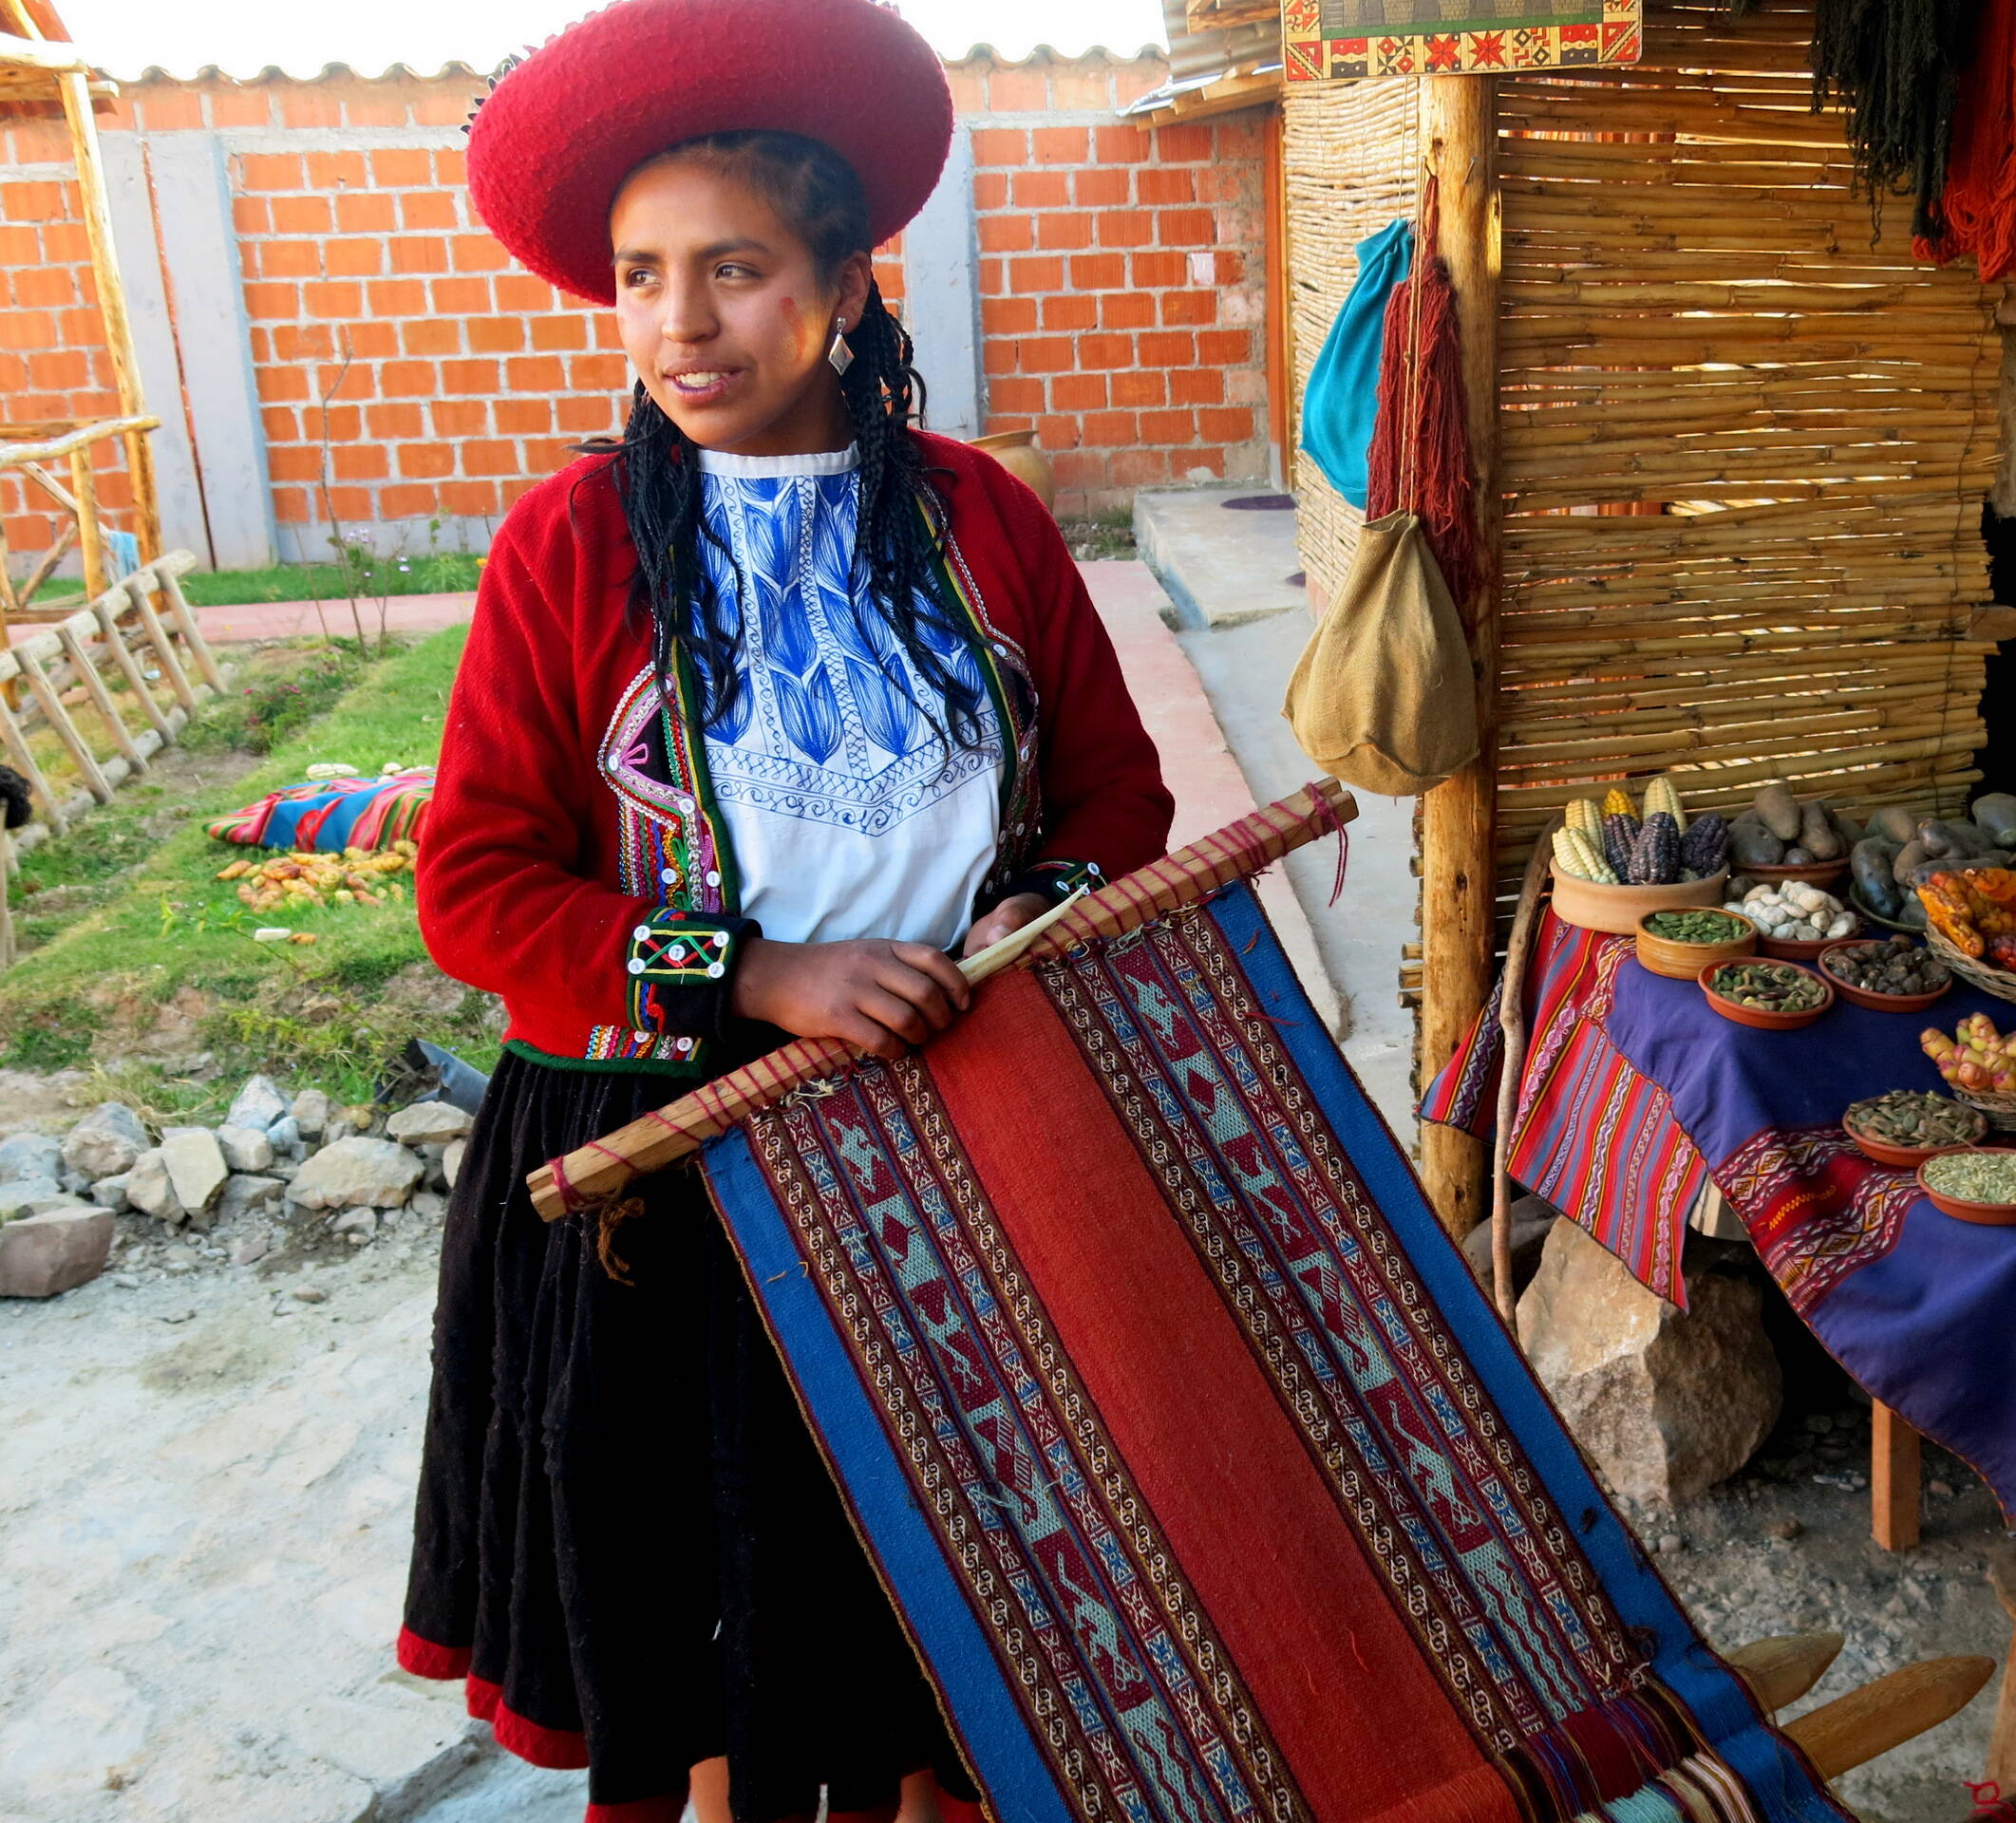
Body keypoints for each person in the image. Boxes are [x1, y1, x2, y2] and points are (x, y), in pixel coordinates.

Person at [396, 4, 1174, 1819]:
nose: (678, 323)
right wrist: (750, 975)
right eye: (639, 274)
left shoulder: (982, 520)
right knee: (730, 1645)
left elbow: (1116, 807)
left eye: (733, 269)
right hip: (670, 1178)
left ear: (843, 274)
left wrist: (1008, 950)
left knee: (950, 1624)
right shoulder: (572, 547)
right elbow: (479, 885)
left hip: (967, 1124)